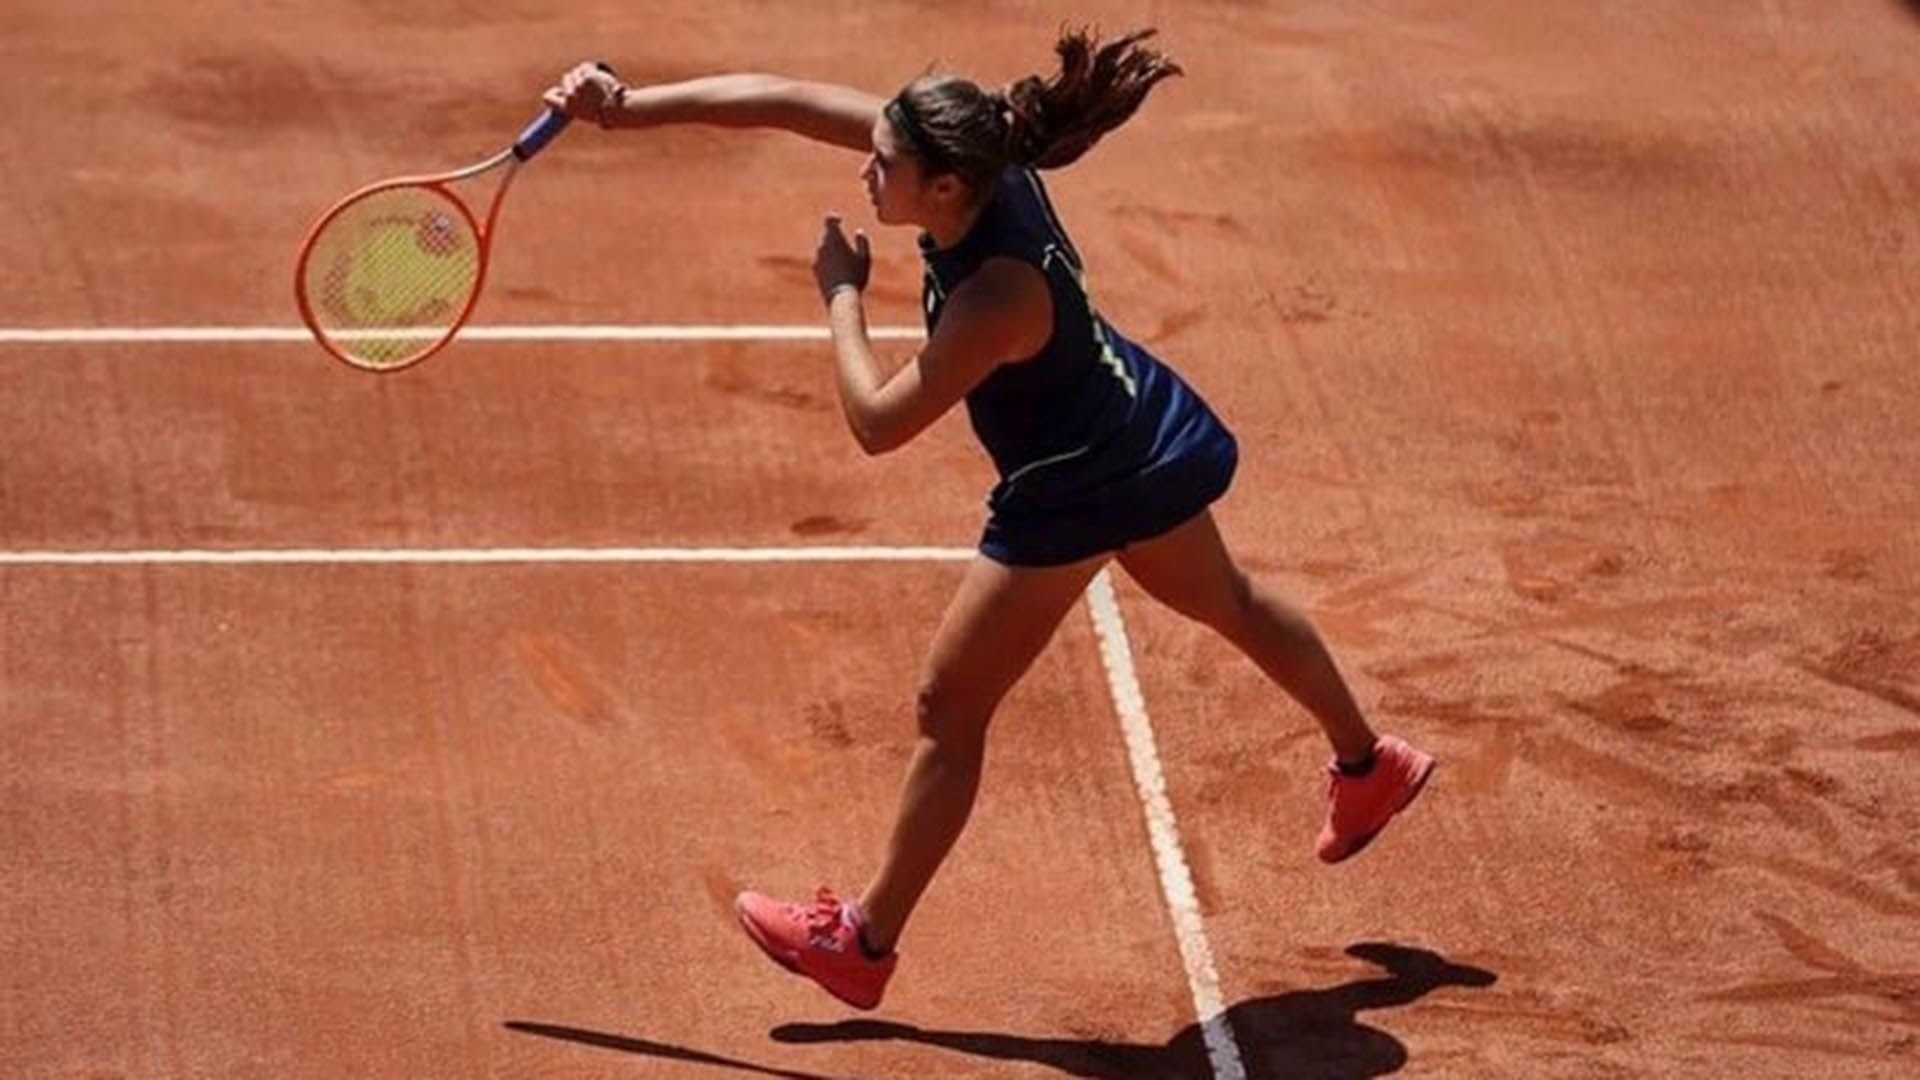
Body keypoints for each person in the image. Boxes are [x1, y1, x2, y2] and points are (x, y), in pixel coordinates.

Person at [543, 28, 1435, 1013]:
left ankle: (861, 945)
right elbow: (785, 94)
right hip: (1131, 422)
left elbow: (879, 424)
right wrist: (629, 107)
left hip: (1075, 486)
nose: (868, 168)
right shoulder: (977, 156)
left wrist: (842, 294)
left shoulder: (996, 301)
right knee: (1228, 600)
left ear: (944, 192)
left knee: (948, 708)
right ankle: (1369, 763)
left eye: (885, 166)